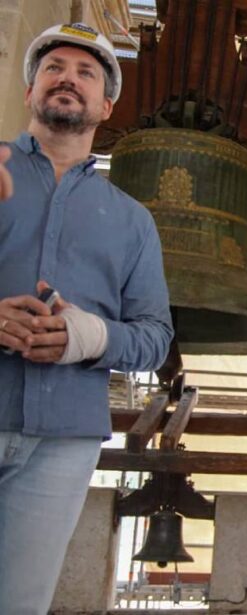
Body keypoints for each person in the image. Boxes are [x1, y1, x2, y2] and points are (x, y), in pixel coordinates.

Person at [0, 23, 173, 614]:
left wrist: (86, 335)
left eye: (85, 72)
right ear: (30, 92)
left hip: (63, 441)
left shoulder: (131, 221)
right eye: (54, 68)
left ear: (106, 105)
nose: (67, 78)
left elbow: (155, 337)